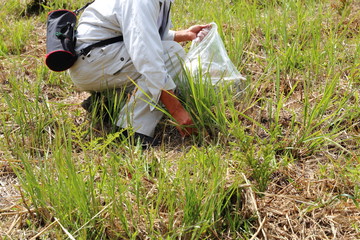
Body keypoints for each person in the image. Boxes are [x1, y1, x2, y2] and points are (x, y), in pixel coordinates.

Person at [69, 0, 209, 146]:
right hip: (96, 62)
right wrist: (177, 112)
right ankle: (133, 130)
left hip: (95, 60)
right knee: (172, 55)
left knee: (163, 59)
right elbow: (147, 57)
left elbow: (141, 31)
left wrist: (184, 34)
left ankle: (109, 103)